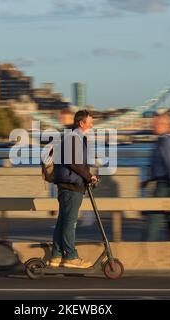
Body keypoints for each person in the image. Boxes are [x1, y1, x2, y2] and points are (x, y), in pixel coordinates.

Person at [50, 110, 98, 268]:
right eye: (90, 122)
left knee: (63, 221)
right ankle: (70, 256)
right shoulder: (74, 138)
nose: (92, 124)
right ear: (81, 123)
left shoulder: (72, 136)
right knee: (70, 222)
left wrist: (88, 175)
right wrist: (88, 176)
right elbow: (74, 162)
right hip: (71, 185)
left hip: (67, 184)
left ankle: (56, 255)